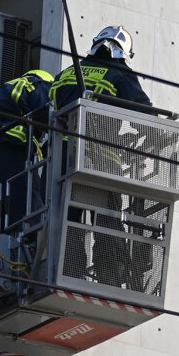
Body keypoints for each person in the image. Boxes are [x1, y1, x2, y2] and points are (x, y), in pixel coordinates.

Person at [49, 26, 153, 290]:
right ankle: (111, 278)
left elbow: (48, 109)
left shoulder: (66, 74)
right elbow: (145, 114)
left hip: (60, 158)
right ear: (123, 52)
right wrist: (149, 138)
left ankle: (70, 272)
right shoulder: (118, 73)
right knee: (107, 221)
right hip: (101, 160)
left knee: (68, 221)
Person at [0, 69, 54, 234]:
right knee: (26, 210)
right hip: (10, 149)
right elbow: (47, 110)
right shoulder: (35, 83)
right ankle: (30, 239)